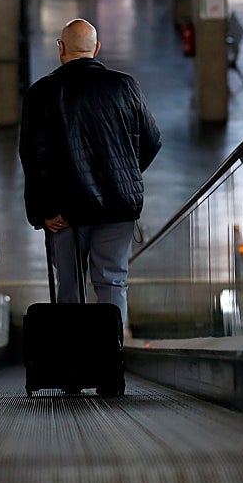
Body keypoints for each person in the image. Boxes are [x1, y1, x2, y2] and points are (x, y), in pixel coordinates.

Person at [19, 18, 162, 328]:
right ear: (96, 49)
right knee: (113, 282)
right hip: (118, 207)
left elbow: (33, 157)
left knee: (70, 287)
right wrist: (124, 176)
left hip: (66, 212)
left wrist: (43, 210)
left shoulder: (42, 93)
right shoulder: (125, 86)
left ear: (61, 49)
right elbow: (152, 141)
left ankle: (75, 358)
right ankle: (113, 354)